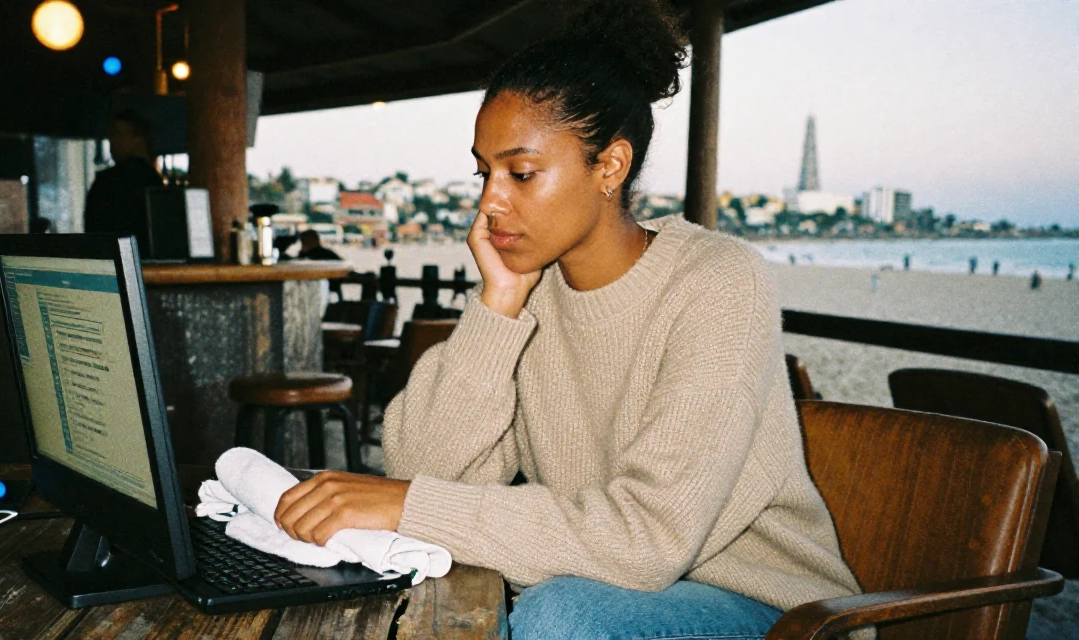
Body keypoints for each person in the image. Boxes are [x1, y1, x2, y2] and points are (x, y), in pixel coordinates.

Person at [269, 2, 863, 639]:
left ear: (609, 166)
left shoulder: (719, 282)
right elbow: (426, 473)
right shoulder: (530, 291)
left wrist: (410, 504)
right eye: (484, 173)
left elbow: (647, 539)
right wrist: (497, 306)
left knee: (559, 614)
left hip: (772, 611)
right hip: (599, 586)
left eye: (521, 173)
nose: (489, 203)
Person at [84, 109, 163, 242]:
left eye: (118, 134)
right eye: (111, 135)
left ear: (139, 138)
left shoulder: (107, 183)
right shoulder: (155, 182)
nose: (112, 141)